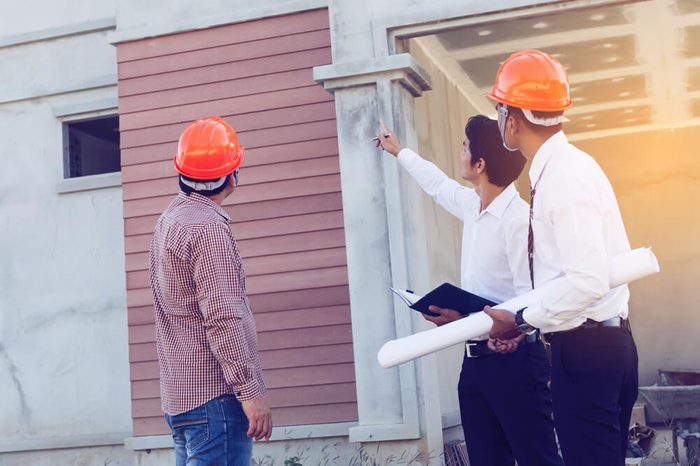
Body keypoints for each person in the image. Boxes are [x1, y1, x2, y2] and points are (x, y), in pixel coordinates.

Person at [375, 116, 563, 466]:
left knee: (538, 458)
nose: (460, 153)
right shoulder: (474, 206)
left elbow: (528, 297)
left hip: (516, 361)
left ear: (480, 164)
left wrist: (473, 320)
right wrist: (398, 151)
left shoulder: (519, 219)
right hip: (475, 363)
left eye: (465, 148)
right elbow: (437, 184)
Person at [483, 50, 638, 466]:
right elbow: (567, 278)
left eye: (500, 109)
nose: (499, 120)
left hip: (588, 350)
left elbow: (587, 281)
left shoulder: (564, 178)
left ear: (512, 120)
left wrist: (520, 319)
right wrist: (527, 326)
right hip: (594, 344)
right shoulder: (563, 170)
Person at [149, 116, 272, 465]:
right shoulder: (209, 229)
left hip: (181, 399)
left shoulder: (168, 221)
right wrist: (249, 392)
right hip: (216, 400)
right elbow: (222, 317)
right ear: (232, 174)